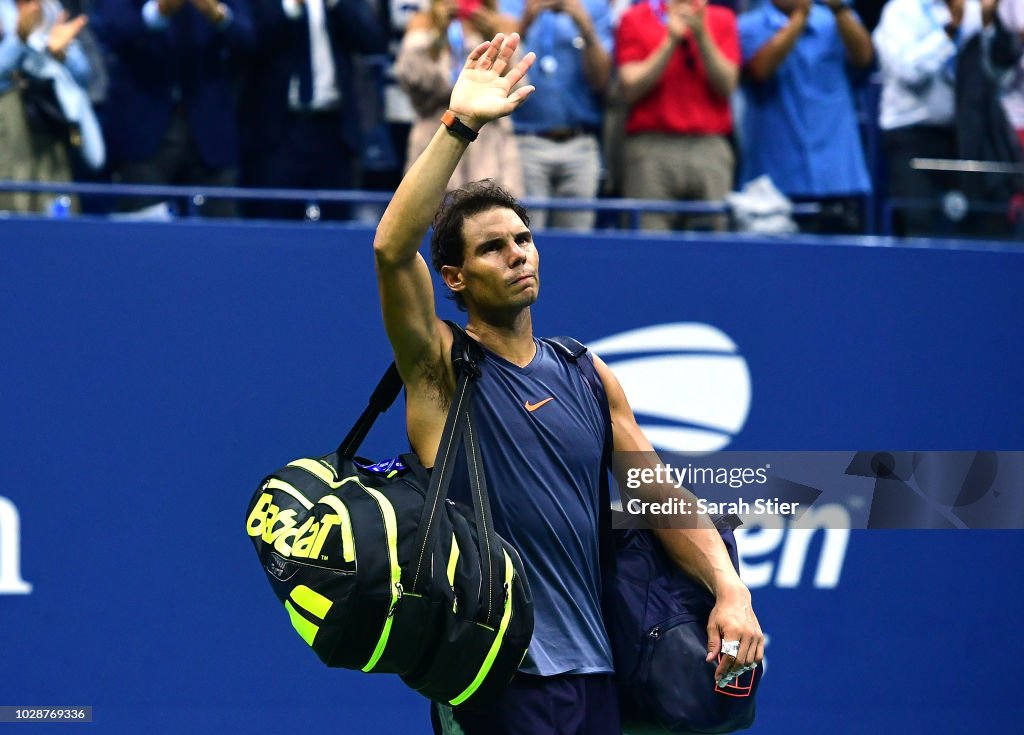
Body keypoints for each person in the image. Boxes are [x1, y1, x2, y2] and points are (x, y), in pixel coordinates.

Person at [372, 31, 763, 734]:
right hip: (495, 678)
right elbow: (391, 247)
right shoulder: (439, 369)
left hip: (597, 677)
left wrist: (730, 585)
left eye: (524, 238)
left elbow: (656, 494)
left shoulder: (588, 372)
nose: (518, 254)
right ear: (455, 278)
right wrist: (460, 127)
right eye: (493, 247)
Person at [95, 0, 254, 217]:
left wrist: (216, 14)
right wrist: (158, 12)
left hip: (210, 132)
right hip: (144, 133)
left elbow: (248, 40)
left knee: (220, 240)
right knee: (142, 242)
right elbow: (112, 30)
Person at [238, 0, 387, 220]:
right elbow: (251, 43)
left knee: (336, 226)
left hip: (334, 131)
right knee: (275, 225)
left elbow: (372, 40)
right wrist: (291, 8)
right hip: (279, 133)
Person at [738, 0, 874, 233]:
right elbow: (759, 71)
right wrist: (800, 17)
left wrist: (839, 10)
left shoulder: (838, 19)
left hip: (838, 174)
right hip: (773, 181)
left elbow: (865, 59)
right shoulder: (748, 26)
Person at [873, 0, 999, 235]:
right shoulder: (901, 11)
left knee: (975, 224)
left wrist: (990, 25)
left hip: (964, 137)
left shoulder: (974, 9)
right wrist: (951, 30)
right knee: (918, 222)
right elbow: (908, 71)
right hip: (910, 136)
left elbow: (996, 75)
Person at [616, 0, 740, 231]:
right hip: (651, 149)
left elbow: (727, 85)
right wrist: (670, 40)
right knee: (648, 241)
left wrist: (702, 36)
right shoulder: (635, 17)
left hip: (709, 149)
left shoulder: (722, 19)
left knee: (713, 244)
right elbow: (630, 87)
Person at [501, 0, 613, 230]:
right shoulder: (509, 5)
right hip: (524, 140)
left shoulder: (596, 7)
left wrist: (586, 28)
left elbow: (602, 81)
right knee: (523, 236)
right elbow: (497, 68)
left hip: (580, 143)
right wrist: (525, 22)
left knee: (577, 246)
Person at [395, 0, 524, 195]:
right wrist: (437, 37)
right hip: (436, 130)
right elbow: (413, 82)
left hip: (488, 139)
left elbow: (512, 90)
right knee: (430, 215)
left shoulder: (502, 24)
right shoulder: (422, 23)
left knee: (489, 214)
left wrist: (491, 37)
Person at [0, 0, 95, 213]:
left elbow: (83, 76)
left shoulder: (51, 9)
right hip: (7, 137)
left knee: (55, 216)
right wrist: (19, 38)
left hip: (49, 133)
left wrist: (62, 55)